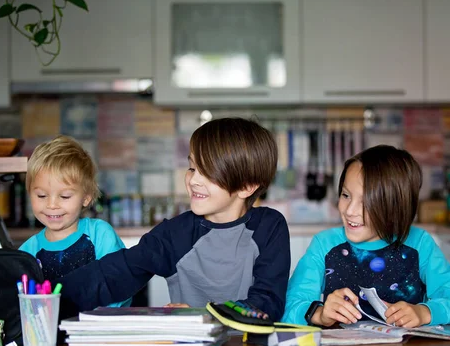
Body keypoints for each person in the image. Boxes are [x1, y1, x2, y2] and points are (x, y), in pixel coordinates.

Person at [57, 117, 290, 321]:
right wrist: (52, 297)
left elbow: (267, 303)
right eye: (192, 168)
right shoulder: (176, 234)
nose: (194, 180)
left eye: (208, 172)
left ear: (246, 186)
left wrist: (205, 315)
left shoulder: (269, 227)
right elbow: (116, 272)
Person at [281, 145, 450, 332]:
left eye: (366, 202)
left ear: (395, 206)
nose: (349, 210)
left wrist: (424, 313)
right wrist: (318, 314)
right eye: (345, 195)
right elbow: (286, 310)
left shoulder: (419, 244)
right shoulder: (324, 245)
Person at [19, 135, 131, 318]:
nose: (52, 205)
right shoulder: (27, 252)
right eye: (41, 196)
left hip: (98, 333)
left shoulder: (99, 234)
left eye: (64, 196)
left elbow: (119, 284)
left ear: (86, 197)